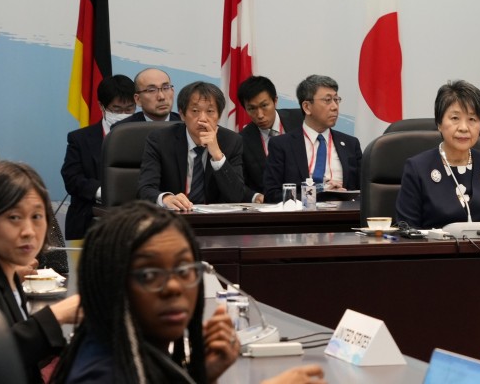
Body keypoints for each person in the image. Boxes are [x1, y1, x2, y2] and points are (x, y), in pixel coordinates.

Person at [52, 201, 325, 384]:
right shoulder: (101, 375)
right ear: (110, 284)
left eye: (184, 271)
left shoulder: (129, 347)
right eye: (149, 275)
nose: (173, 287)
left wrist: (200, 376)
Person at [0, 162, 80, 383]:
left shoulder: (5, 270)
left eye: (37, 217)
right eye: (14, 218)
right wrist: (57, 315)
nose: (29, 231)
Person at [396, 81, 480, 229]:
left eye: (472, 119)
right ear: (439, 123)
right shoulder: (418, 168)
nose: (463, 128)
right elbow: (406, 229)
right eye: (455, 118)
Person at [137, 82, 246, 210]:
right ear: (182, 114)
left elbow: (237, 196)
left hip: (214, 222)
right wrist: (167, 199)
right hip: (172, 219)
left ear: (219, 116)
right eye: (195, 111)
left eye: (210, 111)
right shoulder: (160, 140)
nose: (203, 119)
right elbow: (145, 189)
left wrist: (217, 156)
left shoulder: (231, 141)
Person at [263, 75, 362, 203]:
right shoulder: (282, 145)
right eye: (327, 100)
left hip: (343, 217)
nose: (335, 107)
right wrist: (320, 194)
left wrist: (344, 195)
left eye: (336, 100)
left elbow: (365, 191)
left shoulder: (350, 144)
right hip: (301, 219)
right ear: (307, 107)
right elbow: (271, 195)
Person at [61, 74, 137, 239]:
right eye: (116, 109)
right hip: (89, 220)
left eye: (129, 109)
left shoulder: (147, 135)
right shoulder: (80, 139)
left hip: (135, 220)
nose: (123, 114)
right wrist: (105, 192)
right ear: (101, 106)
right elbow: (72, 179)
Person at [236, 76, 304, 203]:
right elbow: (239, 183)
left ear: (275, 101)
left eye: (264, 105)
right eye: (252, 109)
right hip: (270, 208)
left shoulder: (301, 119)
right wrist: (255, 196)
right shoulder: (241, 140)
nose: (260, 115)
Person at [115, 68, 181, 125]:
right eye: (152, 90)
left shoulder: (186, 125)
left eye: (166, 88)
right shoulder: (122, 130)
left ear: (172, 91)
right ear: (138, 99)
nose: (161, 97)